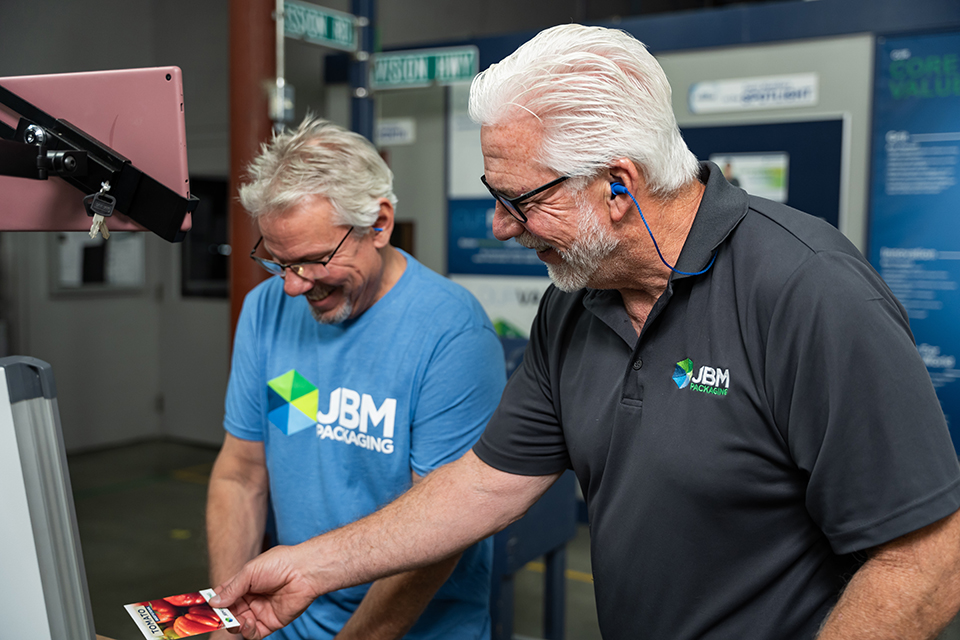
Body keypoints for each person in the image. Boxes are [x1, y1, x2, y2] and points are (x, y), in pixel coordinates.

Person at [211, 25, 960, 640]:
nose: (501, 227)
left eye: (518, 201)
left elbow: (930, 557)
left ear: (617, 186)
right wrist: (313, 566)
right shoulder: (576, 302)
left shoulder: (807, 290)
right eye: (492, 197)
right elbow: (482, 485)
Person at [205, 116, 506, 640]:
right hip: (288, 617)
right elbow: (240, 474)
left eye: (313, 261)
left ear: (380, 224)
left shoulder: (453, 333)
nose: (294, 287)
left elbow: (442, 531)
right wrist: (227, 621)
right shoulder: (264, 309)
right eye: (278, 263)